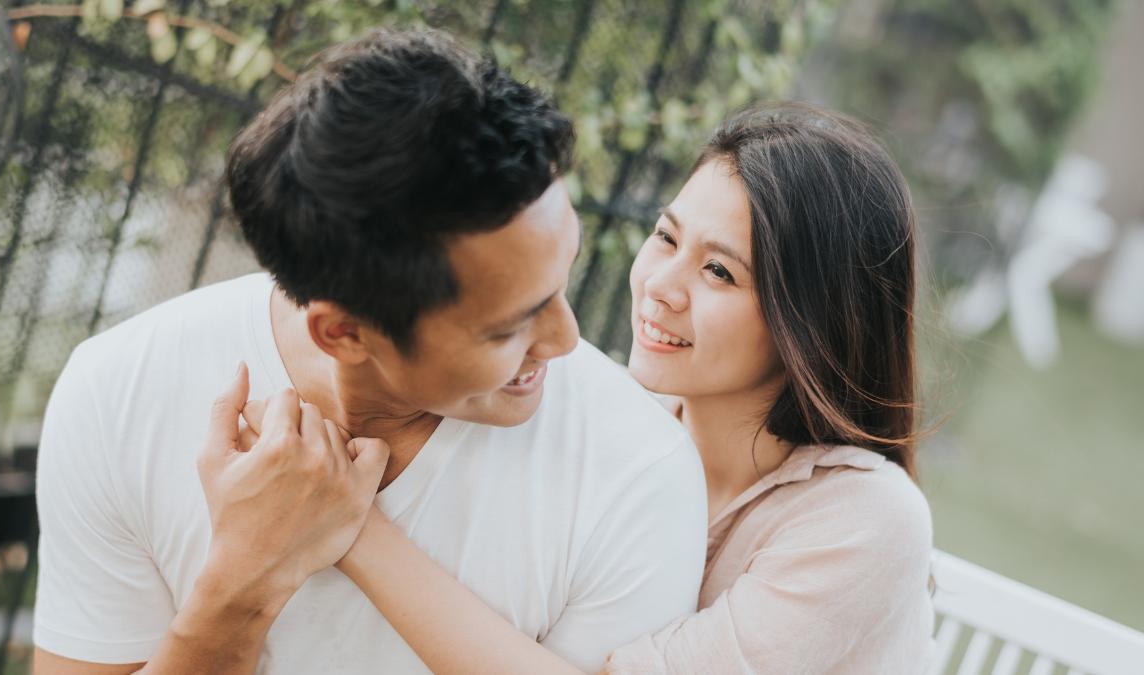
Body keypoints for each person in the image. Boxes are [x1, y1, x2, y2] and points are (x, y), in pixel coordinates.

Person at [31, 29, 707, 674]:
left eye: (561, 280)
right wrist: (239, 587)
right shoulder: (117, 392)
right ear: (345, 332)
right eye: (509, 327)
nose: (566, 339)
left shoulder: (639, 473)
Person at [242, 103, 936, 673]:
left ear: (811, 322)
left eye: (719, 273)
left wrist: (351, 522)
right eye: (666, 238)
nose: (660, 287)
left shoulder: (866, 523)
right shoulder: (627, 430)